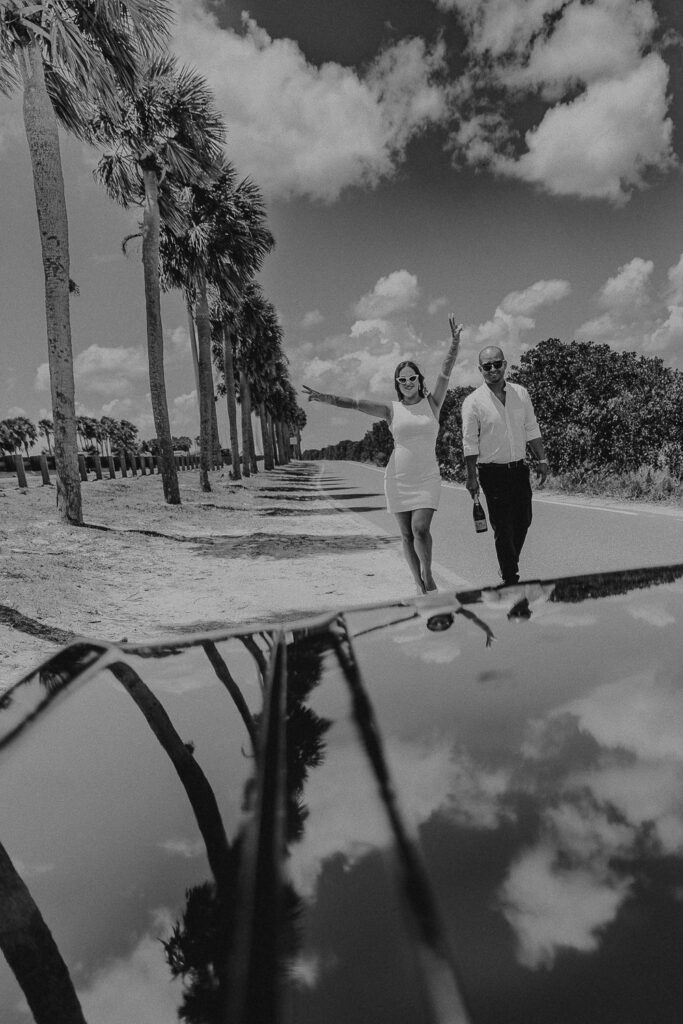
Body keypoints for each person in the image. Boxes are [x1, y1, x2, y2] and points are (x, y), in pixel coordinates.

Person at [303, 316, 463, 594]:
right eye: (402, 380)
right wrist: (326, 397)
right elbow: (355, 404)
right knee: (405, 534)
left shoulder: (433, 402)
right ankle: (418, 584)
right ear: (397, 384)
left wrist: (454, 344)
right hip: (398, 478)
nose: (408, 382)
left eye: (413, 378)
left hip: (427, 477)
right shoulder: (391, 410)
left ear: (419, 380)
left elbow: (445, 371)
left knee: (420, 529)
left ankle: (427, 573)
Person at [461, 346, 548, 586]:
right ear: (480, 370)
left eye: (497, 364)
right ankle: (511, 577)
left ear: (505, 365)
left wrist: (541, 459)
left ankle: (508, 564)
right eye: (487, 366)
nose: (493, 370)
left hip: (519, 469)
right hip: (491, 472)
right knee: (503, 526)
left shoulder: (520, 393)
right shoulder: (473, 402)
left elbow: (531, 428)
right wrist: (472, 477)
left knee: (524, 520)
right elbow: (469, 443)